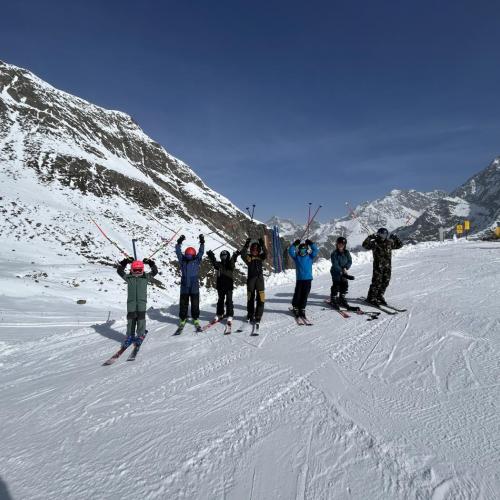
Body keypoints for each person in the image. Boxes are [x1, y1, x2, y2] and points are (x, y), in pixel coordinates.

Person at [117, 256, 158, 348]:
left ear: (142, 270)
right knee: (131, 320)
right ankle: (130, 336)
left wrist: (150, 263)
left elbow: (155, 271)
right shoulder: (128, 278)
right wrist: (125, 261)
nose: (137, 272)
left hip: (141, 303)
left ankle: (140, 335)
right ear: (132, 270)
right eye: (135, 270)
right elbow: (119, 271)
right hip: (131, 303)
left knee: (141, 319)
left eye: (139, 270)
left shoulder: (146, 277)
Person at [362, 227, 403, 305]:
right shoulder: (374, 243)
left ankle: (379, 296)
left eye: (384, 235)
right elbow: (364, 245)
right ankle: (371, 298)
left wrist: (396, 238)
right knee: (376, 282)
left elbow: (400, 245)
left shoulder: (389, 243)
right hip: (378, 267)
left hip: (387, 267)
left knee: (385, 281)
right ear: (378, 234)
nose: (382, 237)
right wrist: (370, 237)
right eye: (381, 235)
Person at [176, 234, 205, 329]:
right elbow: (178, 252)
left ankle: (195, 318)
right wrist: (179, 242)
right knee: (183, 303)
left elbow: (201, 252)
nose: (188, 256)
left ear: (193, 255)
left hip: (194, 285)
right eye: (187, 255)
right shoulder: (182, 260)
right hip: (184, 285)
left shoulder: (196, 260)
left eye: (190, 255)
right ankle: (183, 318)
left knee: (195, 303)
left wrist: (202, 242)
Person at [206, 248, 239, 323]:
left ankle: (230, 315)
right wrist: (211, 255)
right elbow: (214, 263)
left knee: (229, 301)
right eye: (222, 256)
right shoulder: (219, 264)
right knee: (220, 300)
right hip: (220, 286)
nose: (224, 258)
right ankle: (219, 314)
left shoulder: (230, 264)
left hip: (228, 286)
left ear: (228, 256)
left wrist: (235, 255)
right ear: (221, 257)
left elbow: (232, 262)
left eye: (225, 256)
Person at [289, 238, 319, 319]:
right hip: (300, 280)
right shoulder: (296, 257)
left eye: (304, 250)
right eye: (301, 250)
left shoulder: (310, 257)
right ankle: (295, 307)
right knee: (298, 294)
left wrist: (311, 243)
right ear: (299, 250)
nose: (302, 252)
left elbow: (315, 250)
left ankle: (302, 308)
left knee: (305, 295)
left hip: (308, 280)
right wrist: (295, 244)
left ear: (306, 250)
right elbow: (290, 251)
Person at [240, 237, 267, 324]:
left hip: (260, 281)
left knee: (261, 298)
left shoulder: (261, 257)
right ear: (251, 250)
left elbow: (266, 253)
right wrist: (246, 244)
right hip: (251, 281)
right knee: (250, 299)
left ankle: (258, 315)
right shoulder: (248, 258)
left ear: (259, 250)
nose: (254, 251)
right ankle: (250, 314)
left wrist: (262, 244)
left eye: (256, 250)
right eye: (253, 250)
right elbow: (242, 254)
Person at [330, 236, 353, 308]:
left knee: (345, 284)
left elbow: (350, 261)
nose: (341, 246)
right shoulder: (334, 253)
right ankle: (333, 298)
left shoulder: (346, 252)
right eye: (339, 244)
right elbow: (335, 264)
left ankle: (341, 298)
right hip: (335, 271)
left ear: (344, 245)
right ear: (337, 244)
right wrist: (341, 270)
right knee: (336, 284)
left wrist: (346, 267)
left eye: (342, 244)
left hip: (344, 271)